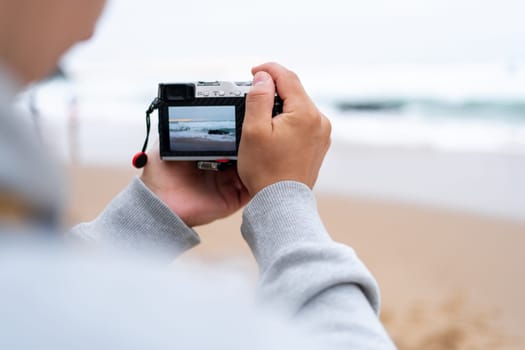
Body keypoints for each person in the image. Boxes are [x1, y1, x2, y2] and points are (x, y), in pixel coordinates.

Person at [0, 0, 396, 348]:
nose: (93, 22)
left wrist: (148, 214)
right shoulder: (195, 323)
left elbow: (47, 285)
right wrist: (285, 202)